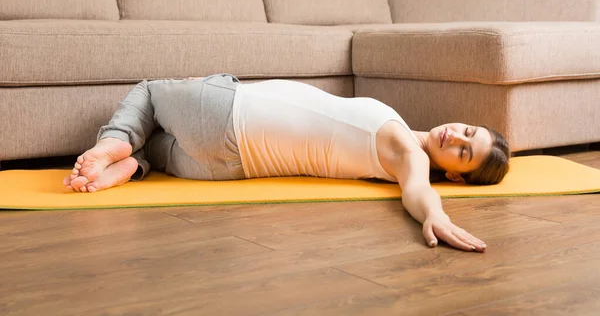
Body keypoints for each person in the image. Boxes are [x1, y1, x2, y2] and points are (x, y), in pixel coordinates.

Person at [63, 74, 510, 252]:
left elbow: (417, 189)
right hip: (226, 167)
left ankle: (114, 144)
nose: (456, 135)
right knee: (157, 146)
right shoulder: (396, 154)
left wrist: (435, 215)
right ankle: (131, 166)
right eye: (467, 130)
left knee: (150, 92)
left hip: (230, 114)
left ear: (453, 173)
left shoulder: (406, 152)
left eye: (463, 152)